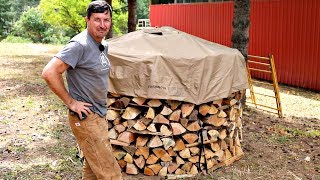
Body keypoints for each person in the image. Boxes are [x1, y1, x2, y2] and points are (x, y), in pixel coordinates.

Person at [41, 1, 122, 179]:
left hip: (98, 114)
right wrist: (71, 102)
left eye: (106, 20)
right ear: (87, 20)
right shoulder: (79, 45)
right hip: (86, 118)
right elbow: (49, 72)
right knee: (110, 173)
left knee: (93, 169)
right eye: (97, 20)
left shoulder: (102, 44)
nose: (102, 25)